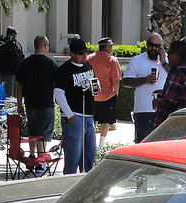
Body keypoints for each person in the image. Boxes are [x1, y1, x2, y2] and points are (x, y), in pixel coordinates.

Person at [54, 37, 98, 174]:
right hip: (75, 116)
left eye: (85, 52)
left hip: (88, 115)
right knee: (73, 155)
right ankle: (69, 182)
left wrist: (97, 88)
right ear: (72, 53)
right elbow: (58, 94)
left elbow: (95, 83)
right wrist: (70, 115)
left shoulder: (88, 66)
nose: (84, 55)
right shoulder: (64, 70)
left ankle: (86, 181)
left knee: (89, 153)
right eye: (80, 53)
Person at [14, 35, 57, 158]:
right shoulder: (51, 64)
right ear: (44, 46)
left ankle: (32, 155)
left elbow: (19, 85)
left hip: (30, 103)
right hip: (46, 104)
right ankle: (41, 158)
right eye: (47, 45)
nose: (48, 47)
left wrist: (19, 103)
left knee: (32, 130)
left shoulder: (25, 63)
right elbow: (56, 85)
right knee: (44, 134)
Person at [121, 34, 167, 142]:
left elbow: (176, 75)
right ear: (147, 44)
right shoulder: (137, 60)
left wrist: (164, 62)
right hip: (143, 111)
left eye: (157, 46)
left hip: (163, 111)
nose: (154, 48)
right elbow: (126, 81)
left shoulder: (167, 61)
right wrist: (144, 80)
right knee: (142, 143)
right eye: (151, 45)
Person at [154, 39, 186, 126]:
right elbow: (183, 93)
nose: (167, 57)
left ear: (176, 55)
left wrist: (157, 101)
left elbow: (170, 101)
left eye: (169, 54)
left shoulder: (177, 72)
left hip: (176, 124)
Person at [89, 37, 123, 143]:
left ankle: (91, 141)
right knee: (105, 121)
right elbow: (116, 80)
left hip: (92, 95)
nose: (112, 48)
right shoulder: (112, 60)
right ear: (107, 47)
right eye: (111, 46)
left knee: (92, 120)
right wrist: (117, 94)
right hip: (108, 96)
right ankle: (102, 144)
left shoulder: (89, 58)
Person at [0, 27, 24, 102]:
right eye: (13, 35)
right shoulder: (2, 43)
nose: (14, 37)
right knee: (7, 94)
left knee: (15, 94)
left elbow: (20, 56)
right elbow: (1, 52)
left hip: (15, 73)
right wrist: (9, 43)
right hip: (5, 72)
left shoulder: (16, 44)